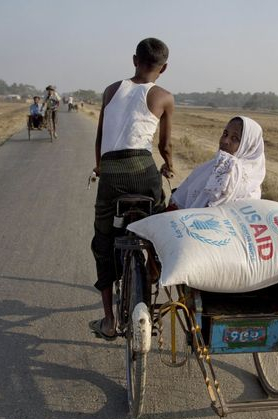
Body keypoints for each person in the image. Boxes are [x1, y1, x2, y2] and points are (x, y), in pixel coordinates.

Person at [89, 37, 175, 340]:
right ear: (163, 68)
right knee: (158, 225)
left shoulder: (112, 90)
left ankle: (110, 320)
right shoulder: (164, 96)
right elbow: (164, 146)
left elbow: (100, 139)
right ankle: (153, 274)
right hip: (144, 172)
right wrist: (169, 164)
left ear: (134, 60)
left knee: (103, 240)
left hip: (111, 174)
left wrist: (101, 167)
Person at [169, 116, 265, 209]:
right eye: (225, 134)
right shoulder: (254, 179)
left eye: (234, 138)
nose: (225, 141)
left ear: (249, 147)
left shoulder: (229, 170)